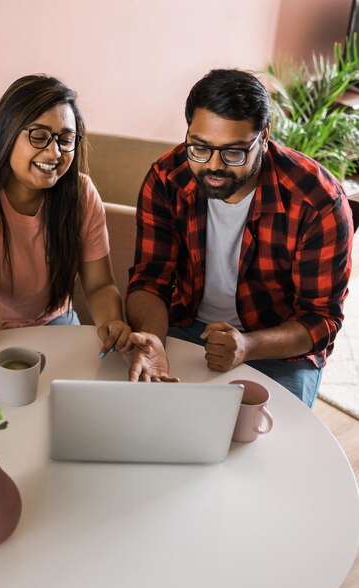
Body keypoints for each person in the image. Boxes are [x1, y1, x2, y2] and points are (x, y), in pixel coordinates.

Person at [126, 68, 354, 408]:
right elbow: (149, 281)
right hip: (180, 326)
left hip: (277, 347)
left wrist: (248, 346)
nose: (213, 167)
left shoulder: (316, 200)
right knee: (141, 416)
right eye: (199, 148)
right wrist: (154, 341)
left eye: (233, 153)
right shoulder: (167, 179)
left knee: (268, 445)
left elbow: (321, 319)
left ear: (264, 136)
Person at [0, 74, 131, 357]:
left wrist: (112, 323)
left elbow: (100, 284)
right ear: (7, 134)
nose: (54, 152)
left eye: (65, 139)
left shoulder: (81, 194)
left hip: (49, 319)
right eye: (39, 136)